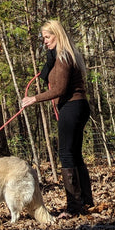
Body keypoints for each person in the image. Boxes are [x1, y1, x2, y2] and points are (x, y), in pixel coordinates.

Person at [21, 19, 93, 217]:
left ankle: (74, 208)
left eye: (48, 36)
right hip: (77, 107)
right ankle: (86, 201)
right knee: (75, 155)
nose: (45, 41)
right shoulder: (62, 56)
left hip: (72, 107)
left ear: (57, 35)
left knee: (67, 155)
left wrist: (33, 99)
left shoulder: (63, 57)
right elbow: (54, 82)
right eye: (43, 37)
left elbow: (59, 89)